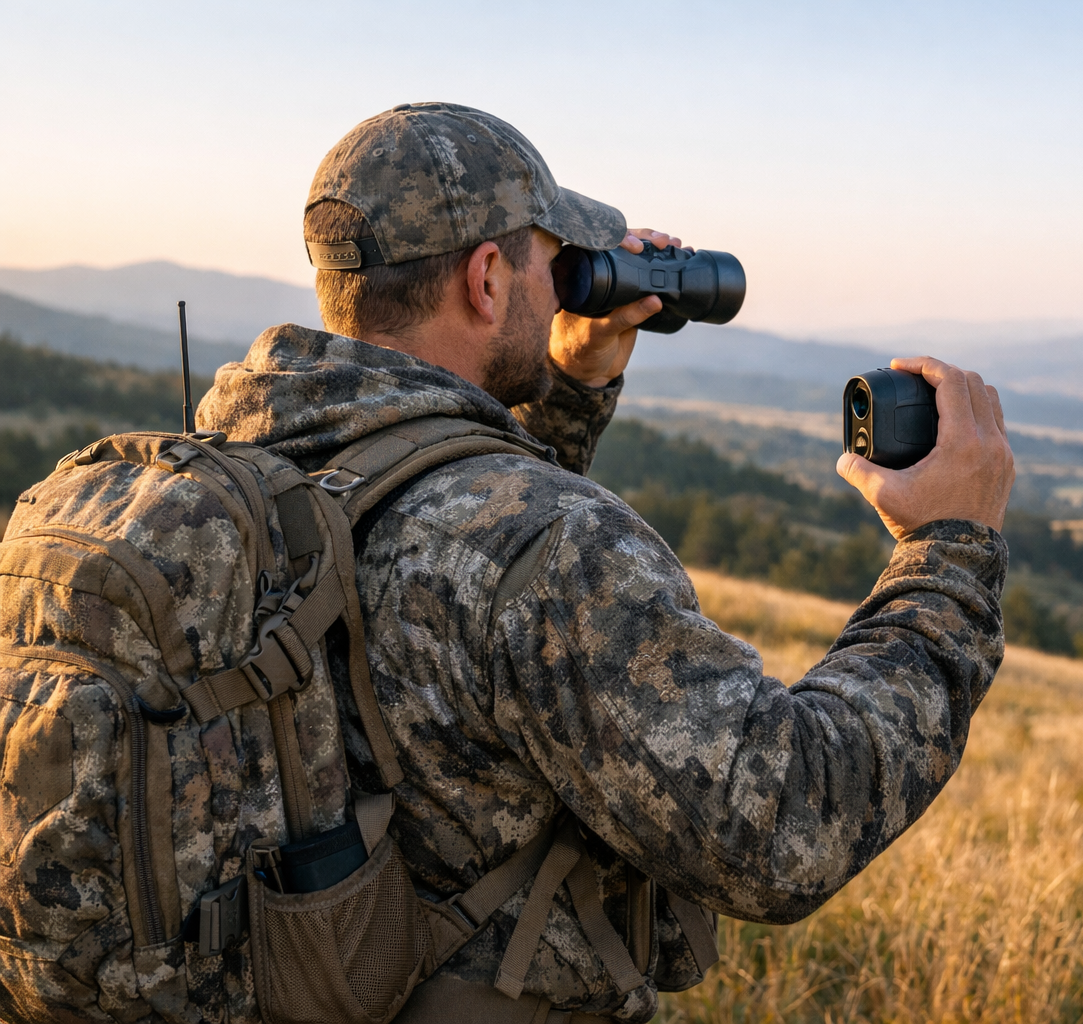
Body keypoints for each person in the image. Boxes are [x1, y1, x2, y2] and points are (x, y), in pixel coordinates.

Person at [199, 101, 1015, 1023]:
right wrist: (951, 550)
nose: (564, 294)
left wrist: (571, 389)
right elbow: (785, 824)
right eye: (554, 263)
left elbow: (441, 557)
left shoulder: (241, 456)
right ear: (487, 280)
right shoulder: (550, 549)